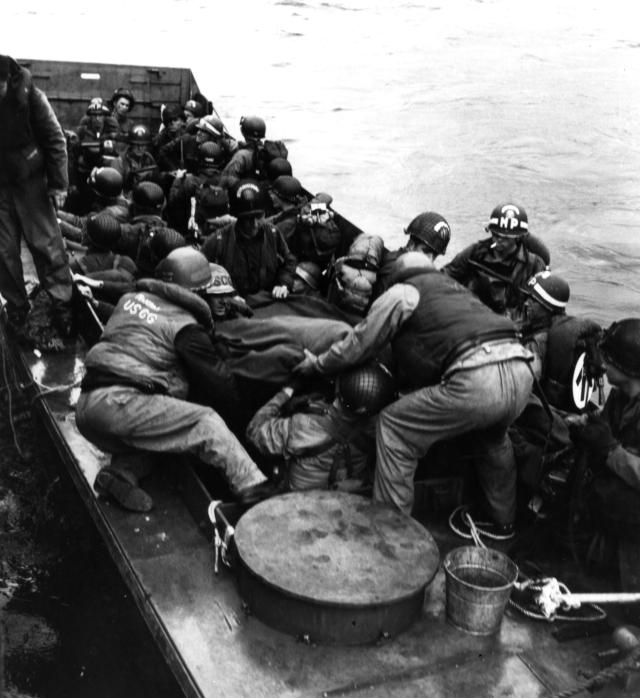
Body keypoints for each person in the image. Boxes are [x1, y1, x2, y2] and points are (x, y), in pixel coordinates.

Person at [295, 243, 534, 535]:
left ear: (398, 273)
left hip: (476, 380)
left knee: (395, 427)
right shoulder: (456, 289)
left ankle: (389, 530)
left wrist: (318, 365)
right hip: (521, 371)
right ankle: (504, 521)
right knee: (494, 440)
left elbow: (360, 344)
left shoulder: (404, 292)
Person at [75, 246, 276, 512]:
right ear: (196, 292)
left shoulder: (130, 299)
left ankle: (123, 473)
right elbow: (223, 387)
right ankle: (255, 489)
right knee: (206, 422)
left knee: (169, 439)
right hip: (121, 404)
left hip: (89, 406)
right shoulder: (186, 328)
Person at [0, 54, 74, 341]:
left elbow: (56, 140)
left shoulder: (31, 98)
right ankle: (17, 307)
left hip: (31, 182)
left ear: (9, 81)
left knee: (46, 244)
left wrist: (59, 186)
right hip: (1, 185)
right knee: (4, 251)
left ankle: (61, 303)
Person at [569, 319, 640, 592]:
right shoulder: (622, 394)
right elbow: (606, 422)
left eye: (609, 359)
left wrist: (611, 450)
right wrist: (580, 424)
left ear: (627, 367)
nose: (602, 364)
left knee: (614, 500)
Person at [247, 361, 396, 491]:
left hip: (298, 501)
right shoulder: (382, 427)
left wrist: (285, 393)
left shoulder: (304, 425)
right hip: (347, 496)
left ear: (339, 388)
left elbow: (255, 433)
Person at [445, 202, 546, 320]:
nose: (498, 240)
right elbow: (444, 277)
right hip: (472, 315)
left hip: (511, 324)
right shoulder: (475, 253)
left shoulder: (533, 265)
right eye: (495, 234)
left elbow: (541, 309)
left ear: (518, 238)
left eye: (505, 237)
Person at [201, 179, 296, 300]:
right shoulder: (218, 241)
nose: (255, 224)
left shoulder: (273, 233)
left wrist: (284, 283)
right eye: (248, 219)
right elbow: (200, 272)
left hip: (268, 300)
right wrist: (226, 294)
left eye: (259, 217)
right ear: (237, 217)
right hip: (233, 304)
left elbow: (289, 261)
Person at [373, 211, 451, 299]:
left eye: (435, 255)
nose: (430, 259)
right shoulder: (394, 267)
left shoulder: (412, 269)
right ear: (411, 245)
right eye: (425, 251)